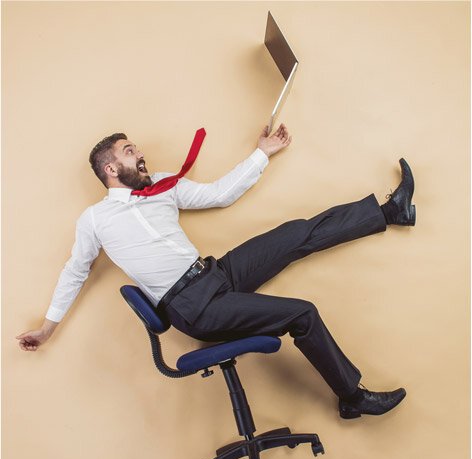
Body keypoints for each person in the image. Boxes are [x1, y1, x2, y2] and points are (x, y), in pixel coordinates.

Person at [16, 124, 415, 419]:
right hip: (195, 309)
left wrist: (262, 152)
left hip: (215, 274)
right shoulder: (95, 219)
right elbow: (75, 270)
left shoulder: (163, 185)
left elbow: (220, 194)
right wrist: (47, 328)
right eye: (128, 151)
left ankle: (387, 211)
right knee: (302, 312)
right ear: (111, 170)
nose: (139, 154)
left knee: (293, 235)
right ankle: (352, 396)